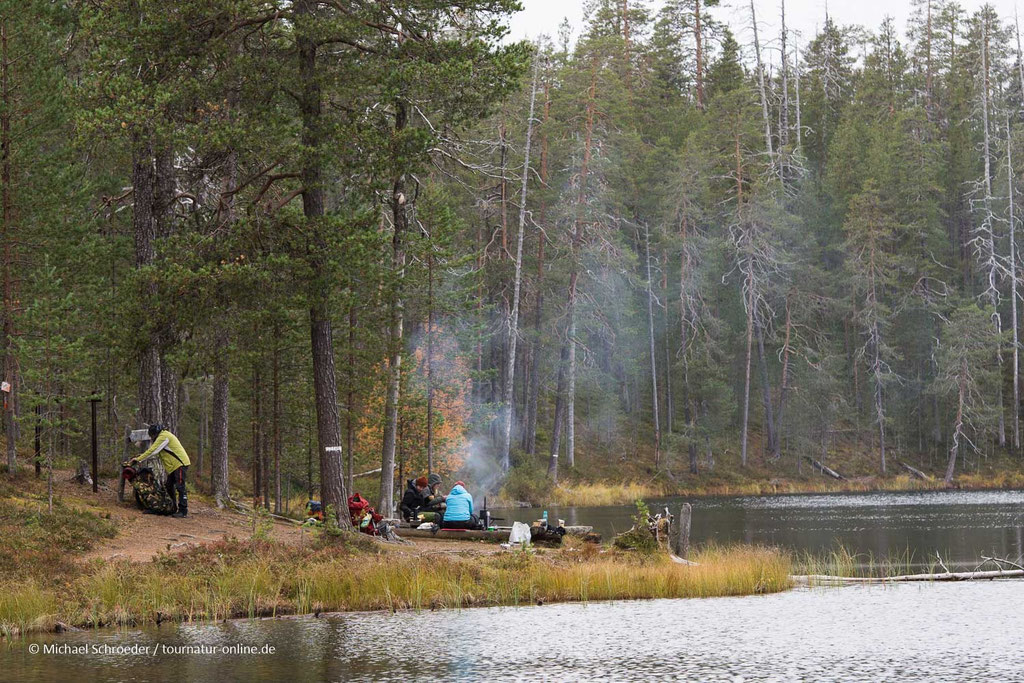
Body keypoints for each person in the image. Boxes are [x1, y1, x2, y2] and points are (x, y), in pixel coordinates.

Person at [130, 423, 191, 518]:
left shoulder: (164, 436)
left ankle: (183, 510)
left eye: (153, 435)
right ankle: (172, 507)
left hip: (180, 464)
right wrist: (140, 457)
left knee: (180, 487)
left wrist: (139, 459)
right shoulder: (163, 435)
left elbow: (153, 450)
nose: (152, 438)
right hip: (174, 466)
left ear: (156, 433)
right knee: (169, 485)